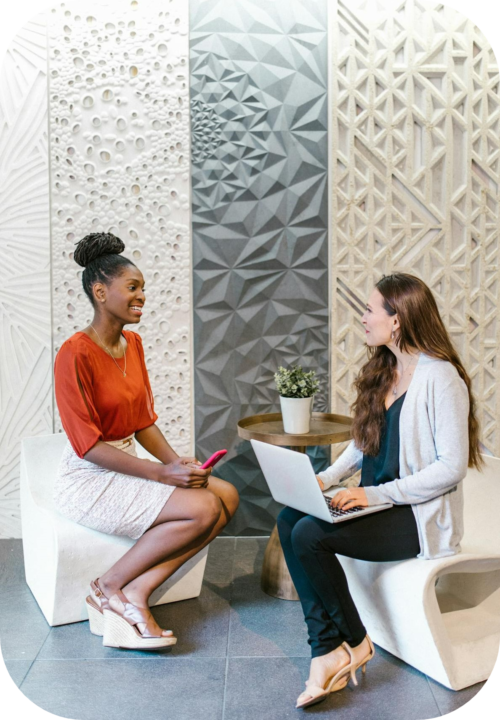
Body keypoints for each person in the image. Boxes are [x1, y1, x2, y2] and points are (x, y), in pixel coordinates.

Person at [277, 273, 483, 708]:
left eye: (371, 310)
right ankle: (327, 649)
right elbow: (362, 443)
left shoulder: (441, 378)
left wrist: (374, 495)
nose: (364, 318)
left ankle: (349, 642)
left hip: (414, 518)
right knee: (289, 519)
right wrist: (327, 479)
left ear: (398, 320)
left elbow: (451, 468)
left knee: (309, 535)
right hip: (377, 507)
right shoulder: (384, 370)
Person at [53, 232, 239, 650]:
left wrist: (178, 466)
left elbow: (142, 424)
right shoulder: (73, 354)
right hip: (88, 478)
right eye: (132, 288)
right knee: (204, 506)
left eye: (143, 289)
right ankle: (108, 587)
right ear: (101, 292)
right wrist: (161, 473)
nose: (141, 297)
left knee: (225, 495)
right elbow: (88, 446)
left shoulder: (132, 344)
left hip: (126, 464)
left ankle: (136, 592)